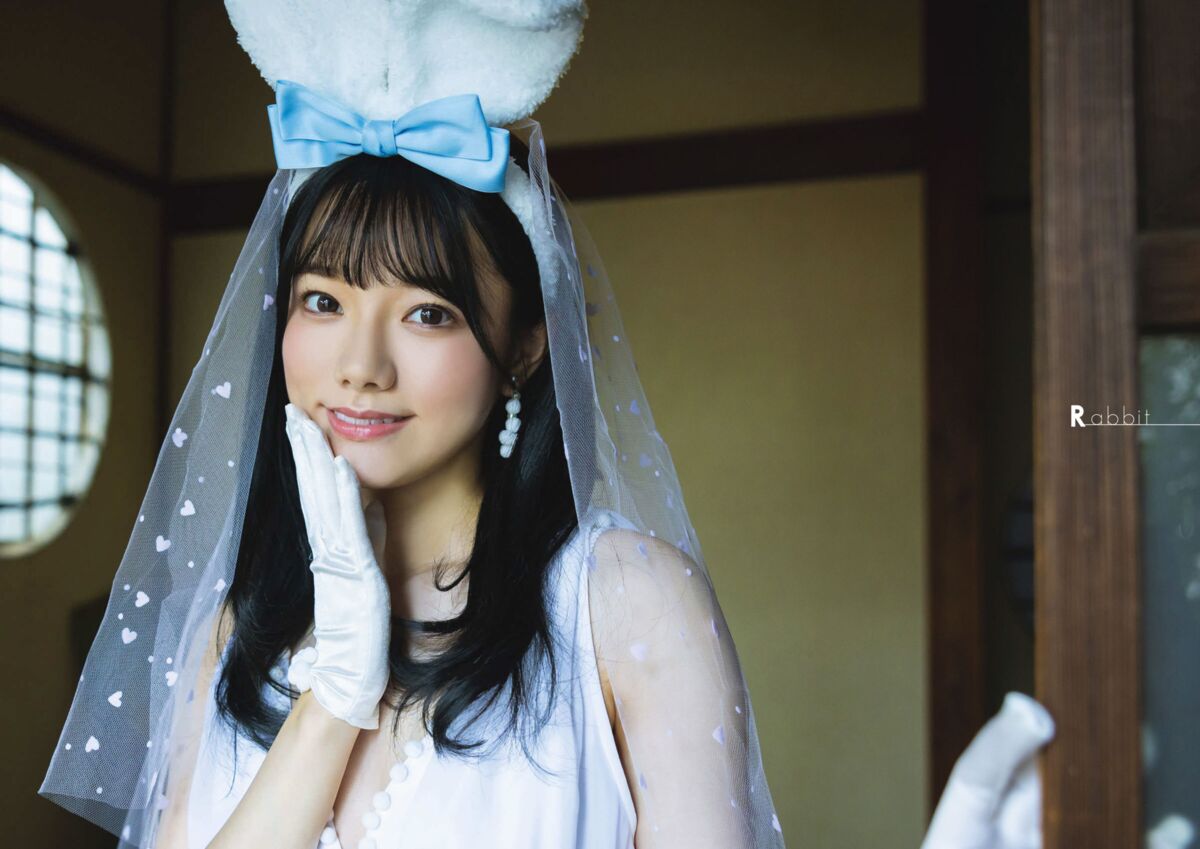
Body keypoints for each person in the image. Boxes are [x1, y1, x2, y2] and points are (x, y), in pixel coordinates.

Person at [38, 2, 1053, 847]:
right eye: (323, 300)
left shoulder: (623, 603)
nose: (361, 364)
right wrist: (337, 689)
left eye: (428, 313)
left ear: (526, 344)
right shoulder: (238, 629)